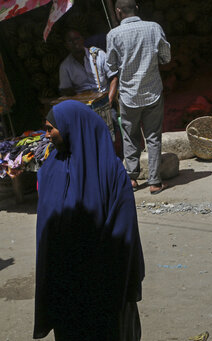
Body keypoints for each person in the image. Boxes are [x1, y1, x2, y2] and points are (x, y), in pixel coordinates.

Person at [34, 100, 145, 340]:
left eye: (51, 128)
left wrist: (100, 278)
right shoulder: (50, 170)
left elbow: (123, 234)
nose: (47, 135)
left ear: (72, 128)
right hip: (65, 281)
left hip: (103, 284)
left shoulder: (111, 172)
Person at [106, 0, 171, 195]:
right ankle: (155, 182)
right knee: (153, 137)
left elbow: (111, 67)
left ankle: (132, 178)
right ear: (137, 8)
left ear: (118, 12)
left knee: (130, 136)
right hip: (152, 92)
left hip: (128, 95)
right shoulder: (154, 28)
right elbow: (166, 57)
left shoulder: (113, 34)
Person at [59, 29, 120, 141]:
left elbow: (114, 78)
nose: (75, 43)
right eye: (70, 41)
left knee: (112, 127)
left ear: (83, 39)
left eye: (77, 39)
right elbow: (65, 90)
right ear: (66, 45)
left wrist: (109, 101)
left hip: (105, 102)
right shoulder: (65, 66)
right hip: (84, 107)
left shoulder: (98, 55)